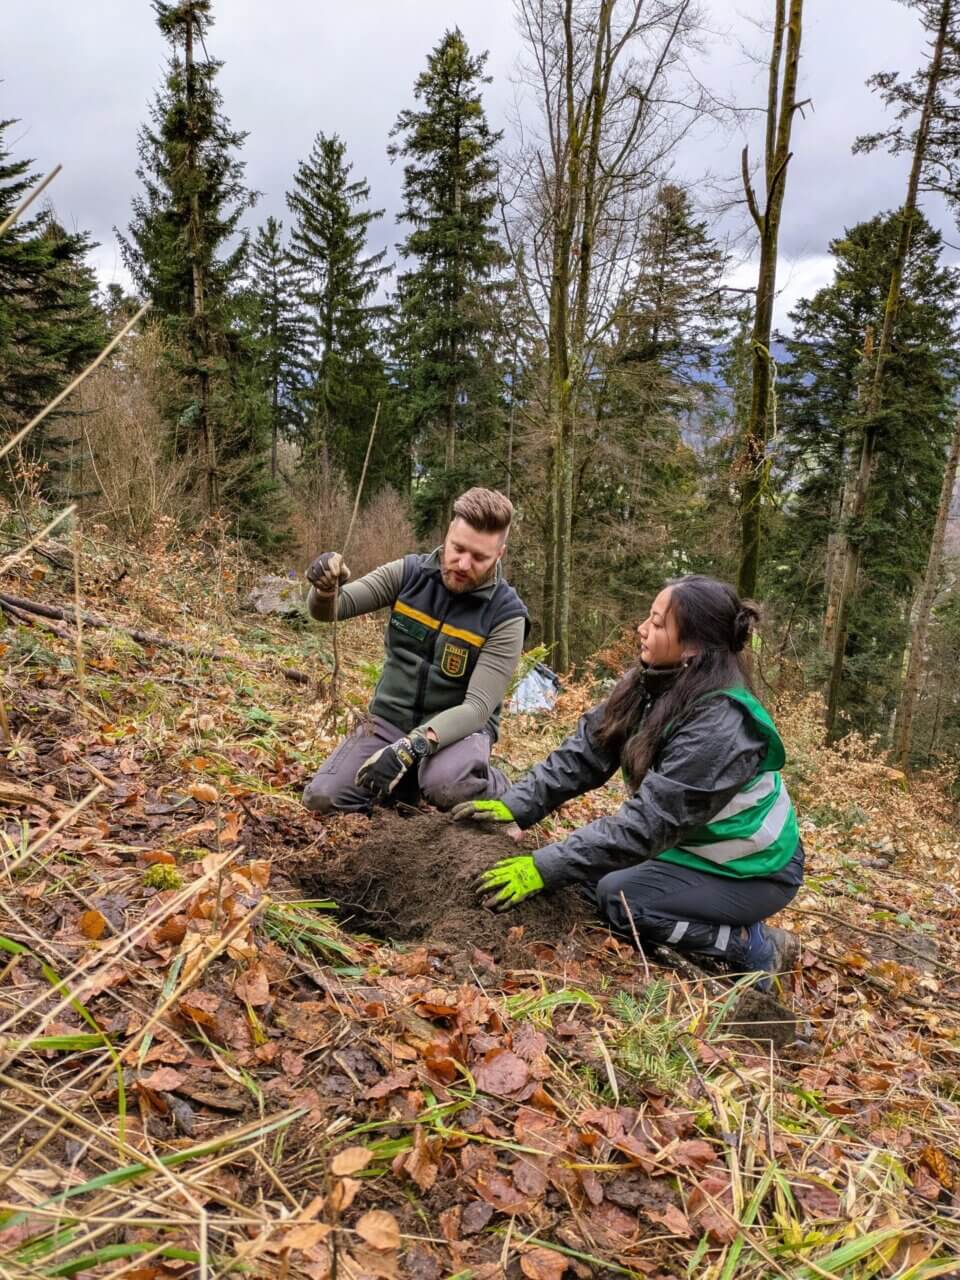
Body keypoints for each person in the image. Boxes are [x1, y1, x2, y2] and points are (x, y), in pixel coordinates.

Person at [453, 575, 802, 989]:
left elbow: (647, 825)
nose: (642, 629)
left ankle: (752, 943)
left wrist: (544, 866)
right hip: (691, 849)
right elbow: (589, 750)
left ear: (692, 645)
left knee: (622, 901)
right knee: (584, 877)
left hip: (753, 871)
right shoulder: (658, 680)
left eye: (657, 624)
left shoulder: (721, 726)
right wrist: (518, 804)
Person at [302, 487, 528, 814]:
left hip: (456, 735)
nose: (463, 564)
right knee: (322, 799)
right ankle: (407, 782)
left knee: (445, 787)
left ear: (500, 554)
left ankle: (496, 785)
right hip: (389, 723)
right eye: (458, 549)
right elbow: (332, 609)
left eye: (479, 557)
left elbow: (478, 708)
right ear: (448, 534)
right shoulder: (408, 574)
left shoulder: (506, 616)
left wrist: (413, 746)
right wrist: (324, 588)